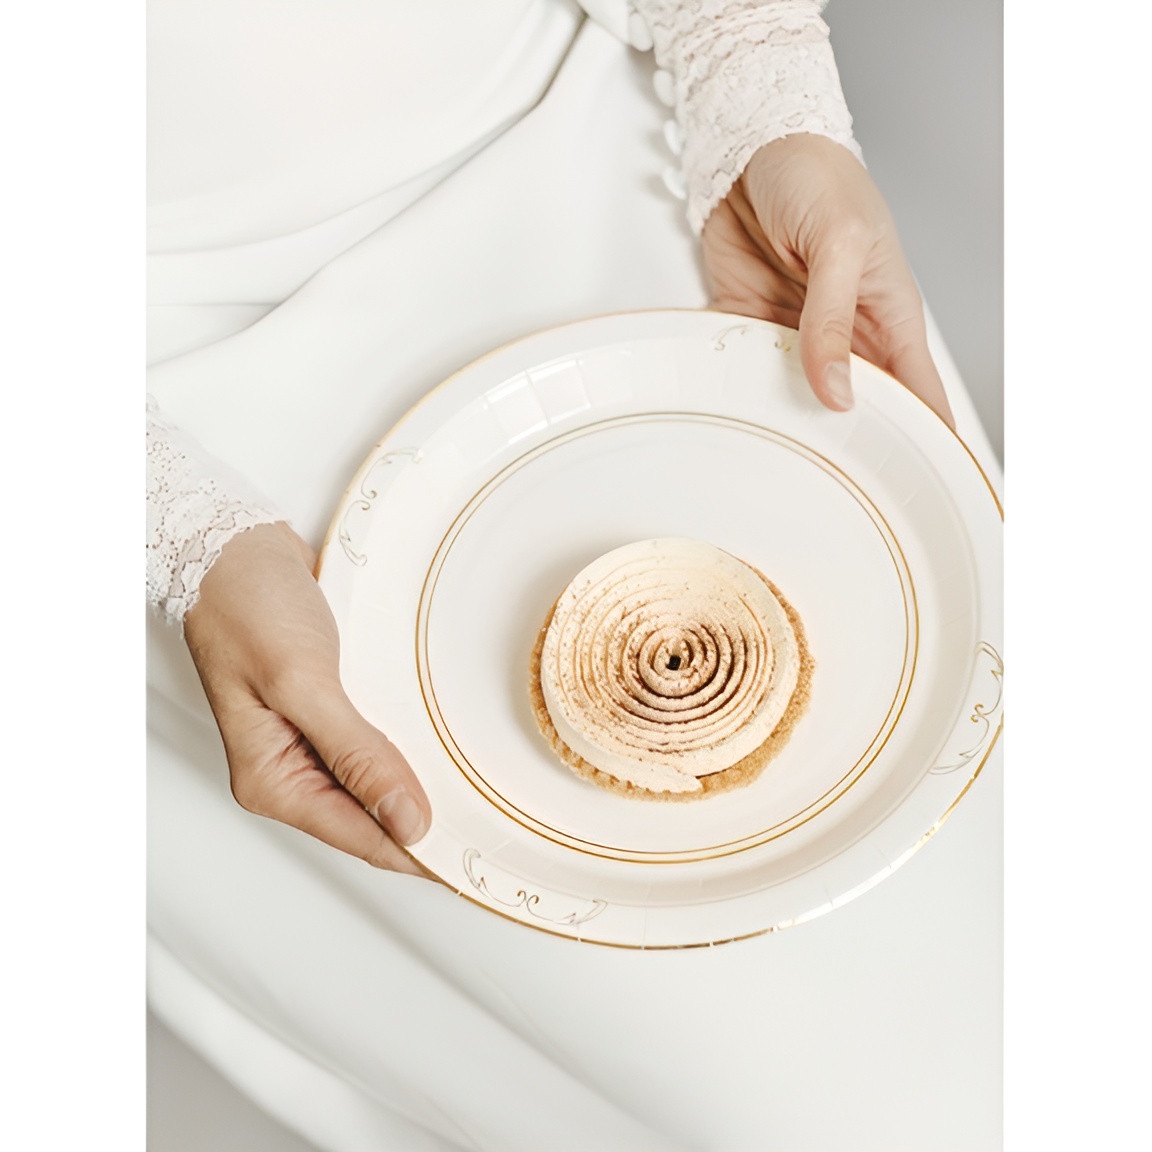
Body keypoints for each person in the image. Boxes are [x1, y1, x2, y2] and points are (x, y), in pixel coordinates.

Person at [147, 3, 1000, 1148]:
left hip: (617, 154)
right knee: (778, 1087)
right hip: (188, 398)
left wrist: (756, 85)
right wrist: (182, 536)